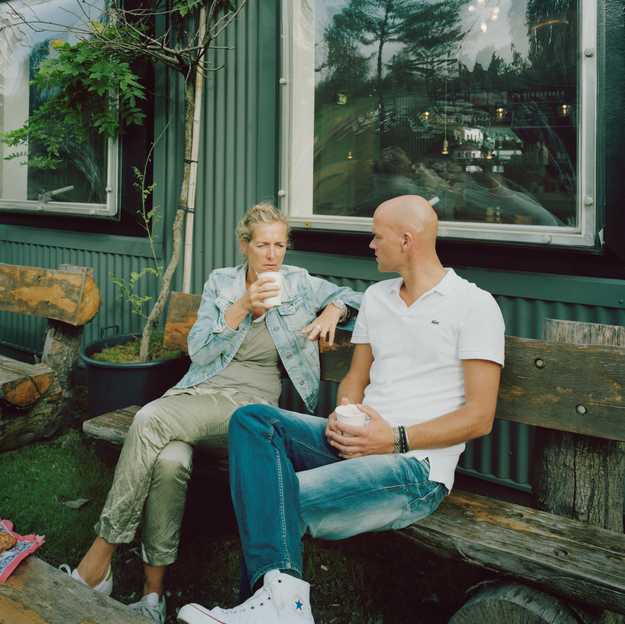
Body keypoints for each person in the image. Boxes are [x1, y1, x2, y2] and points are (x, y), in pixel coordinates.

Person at [177, 194, 505, 624]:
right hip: (358, 444)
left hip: (415, 468)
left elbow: (479, 417)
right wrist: (346, 413)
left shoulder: (474, 305)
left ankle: (274, 610)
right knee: (252, 420)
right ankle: (280, 609)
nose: (370, 244)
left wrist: (394, 437)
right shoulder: (376, 297)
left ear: (406, 241)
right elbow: (355, 378)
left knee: (276, 495)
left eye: (377, 236)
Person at [61, 202, 361, 624]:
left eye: (279, 245)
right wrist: (239, 309)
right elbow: (198, 350)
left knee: (150, 419)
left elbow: (355, 296)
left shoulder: (299, 284)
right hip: (199, 392)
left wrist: (334, 309)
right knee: (168, 461)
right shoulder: (221, 282)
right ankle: (152, 596)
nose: (272, 254)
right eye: (262, 245)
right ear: (245, 245)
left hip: (247, 410)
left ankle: (99, 558)